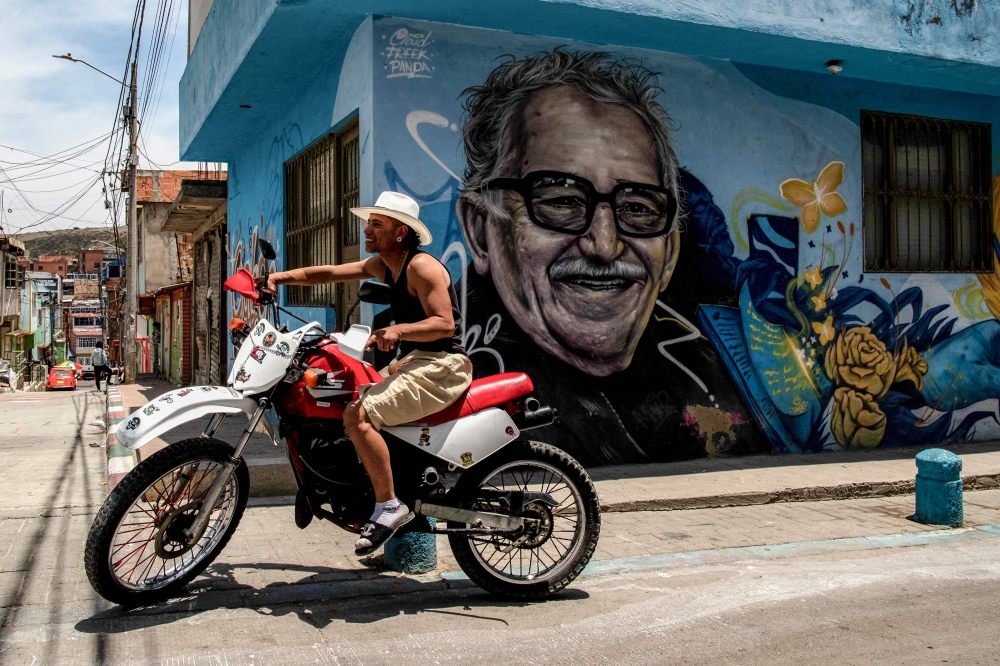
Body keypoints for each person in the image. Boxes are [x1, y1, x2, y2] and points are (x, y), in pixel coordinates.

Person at [455, 49, 764, 465]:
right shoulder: (457, 376)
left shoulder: (706, 369)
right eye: (561, 199)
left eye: (637, 207)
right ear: (479, 230)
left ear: (669, 249)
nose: (604, 244)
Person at [262, 191, 472, 554]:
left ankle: (389, 506)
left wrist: (397, 331)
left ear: (401, 232)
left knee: (357, 415)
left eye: (377, 224)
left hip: (442, 367)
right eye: (368, 223)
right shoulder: (383, 265)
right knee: (352, 393)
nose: (367, 230)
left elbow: (445, 324)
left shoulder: (422, 267)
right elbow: (329, 273)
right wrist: (279, 278)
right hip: (415, 361)